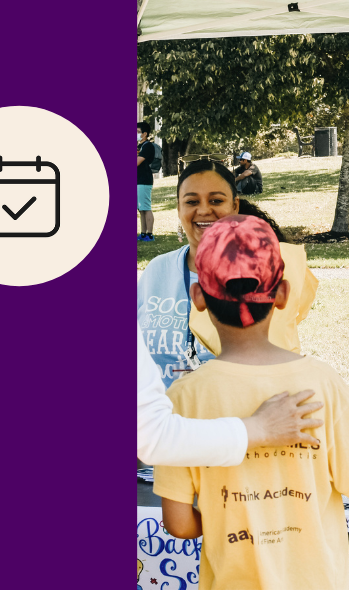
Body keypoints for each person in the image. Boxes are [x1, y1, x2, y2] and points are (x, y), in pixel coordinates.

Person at [154, 215, 349, 590]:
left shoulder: (184, 397)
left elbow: (180, 524)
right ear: (281, 294)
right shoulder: (321, 382)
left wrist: (224, 520)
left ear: (198, 297)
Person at [138, 159, 317, 388]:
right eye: (192, 201)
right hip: (157, 419)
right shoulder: (156, 271)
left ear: (235, 206)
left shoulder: (271, 269)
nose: (203, 210)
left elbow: (281, 351)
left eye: (216, 200)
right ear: (179, 208)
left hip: (240, 418)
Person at [138, 324, 323, 466]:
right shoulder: (321, 381)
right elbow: (150, 435)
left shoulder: (183, 393)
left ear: (198, 298)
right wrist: (260, 428)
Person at [137, 121, 156, 242]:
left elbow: (137, 162)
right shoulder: (139, 146)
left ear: (144, 134)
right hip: (138, 179)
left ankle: (150, 234)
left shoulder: (148, 146)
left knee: (146, 207)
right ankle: (143, 233)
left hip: (144, 180)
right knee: (141, 208)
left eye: (138, 132)